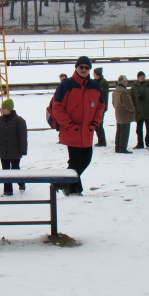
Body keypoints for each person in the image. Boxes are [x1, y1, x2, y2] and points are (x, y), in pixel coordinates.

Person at [52, 56, 105, 196]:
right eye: (81, 67)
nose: (84, 69)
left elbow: (100, 106)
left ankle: (64, 183)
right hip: (72, 131)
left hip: (87, 131)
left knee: (86, 159)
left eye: (87, 67)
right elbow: (56, 107)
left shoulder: (94, 85)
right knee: (76, 161)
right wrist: (69, 124)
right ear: (76, 68)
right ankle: (74, 190)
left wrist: (94, 123)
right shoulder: (66, 85)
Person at [0, 98, 28, 196]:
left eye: (4, 108)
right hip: (3, 151)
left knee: (15, 168)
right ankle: (8, 190)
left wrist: (23, 150)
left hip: (15, 150)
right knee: (5, 170)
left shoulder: (19, 121)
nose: (2, 110)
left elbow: (23, 137)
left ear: (9, 109)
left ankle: (21, 182)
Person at [129, 71, 149, 149]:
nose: (142, 77)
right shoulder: (134, 88)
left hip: (148, 110)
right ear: (138, 78)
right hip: (138, 111)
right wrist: (134, 107)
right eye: (140, 76)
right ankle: (140, 143)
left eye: (143, 76)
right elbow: (130, 98)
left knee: (148, 129)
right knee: (138, 129)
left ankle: (148, 143)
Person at [112, 75, 135, 154]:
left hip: (118, 113)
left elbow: (113, 103)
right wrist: (133, 110)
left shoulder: (115, 91)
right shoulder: (124, 91)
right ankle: (122, 148)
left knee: (119, 131)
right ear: (124, 82)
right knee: (125, 132)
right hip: (125, 115)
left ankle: (117, 147)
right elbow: (127, 104)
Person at [92, 67, 109, 147]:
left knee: (99, 124)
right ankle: (101, 141)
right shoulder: (97, 81)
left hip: (101, 107)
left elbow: (101, 95)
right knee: (97, 124)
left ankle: (102, 141)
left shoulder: (103, 83)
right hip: (96, 107)